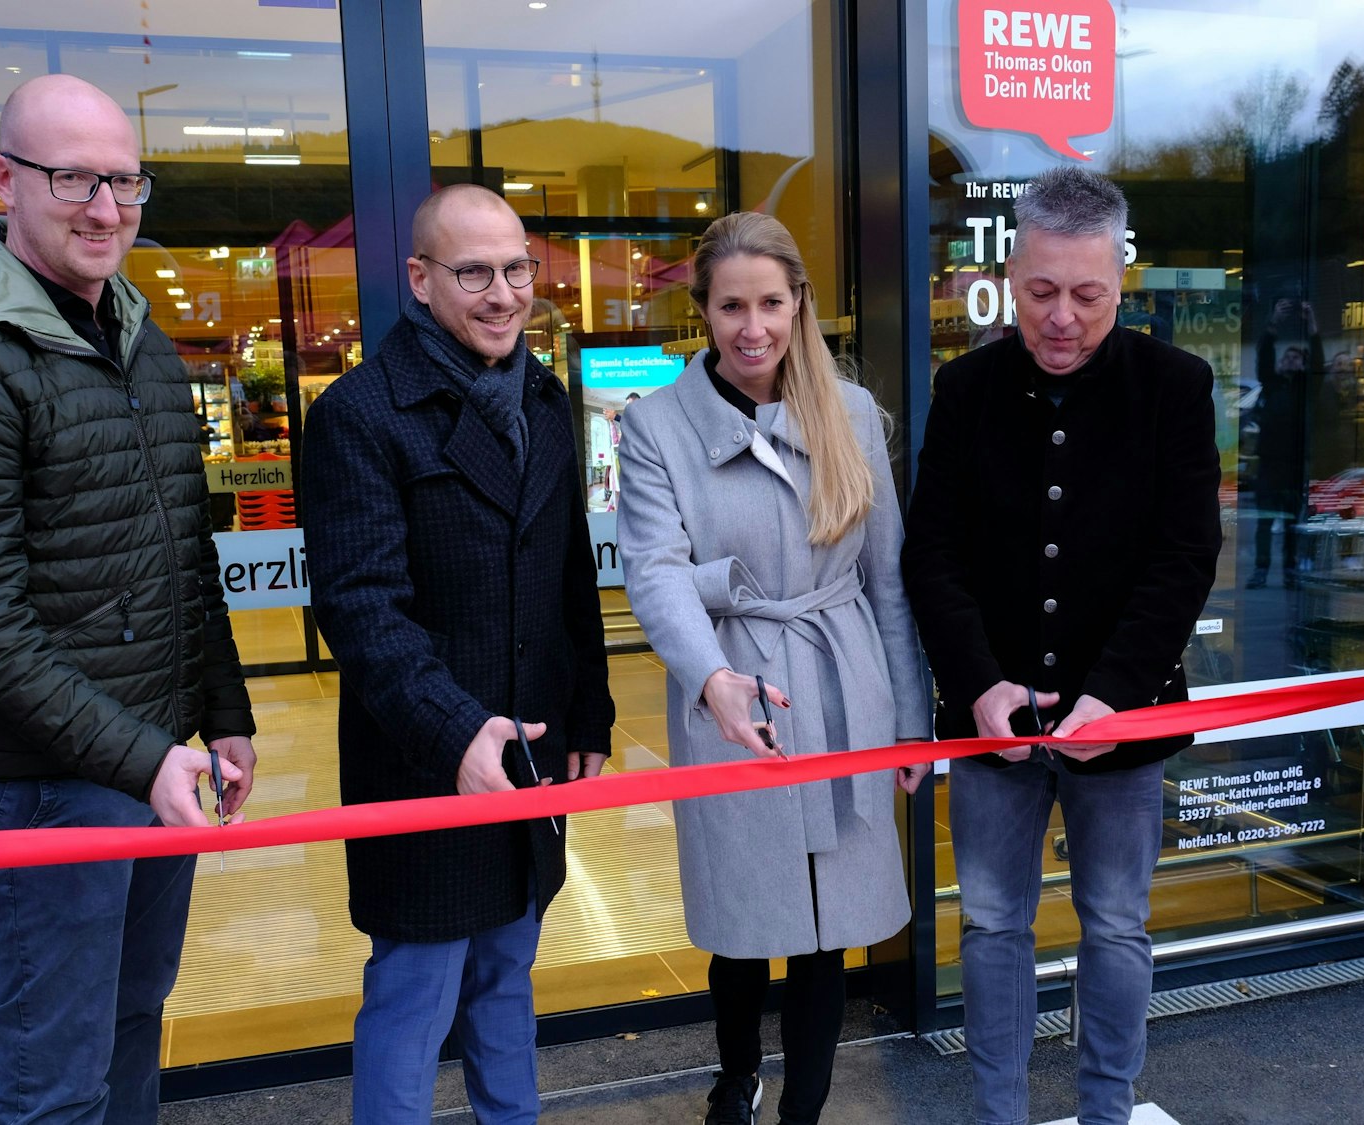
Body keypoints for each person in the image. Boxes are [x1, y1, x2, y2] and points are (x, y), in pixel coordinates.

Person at [0, 75, 257, 1124]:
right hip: (38, 785)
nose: (104, 207)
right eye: (72, 177)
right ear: (2, 181)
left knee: (132, 1022)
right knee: (54, 1080)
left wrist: (224, 715)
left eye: (125, 181)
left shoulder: (136, 340)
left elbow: (185, 555)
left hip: (147, 760)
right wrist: (143, 755)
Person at [900, 166, 1221, 1125]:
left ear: (1121, 283)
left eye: (1089, 296)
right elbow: (932, 551)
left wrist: (1114, 692)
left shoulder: (1175, 385)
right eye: (1042, 292)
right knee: (993, 923)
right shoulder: (965, 388)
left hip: (1123, 719)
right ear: (1010, 273)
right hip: (989, 721)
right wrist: (976, 683)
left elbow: (1185, 556)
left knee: (1117, 926)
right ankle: (999, 1112)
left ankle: (1106, 1112)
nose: (1063, 319)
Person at [302, 184, 615, 1125]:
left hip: (530, 746)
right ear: (420, 279)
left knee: (508, 977)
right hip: (424, 761)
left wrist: (589, 712)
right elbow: (361, 608)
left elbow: (570, 578)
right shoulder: (361, 413)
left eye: (517, 268)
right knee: (414, 993)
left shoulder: (545, 397)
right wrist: (453, 732)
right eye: (473, 272)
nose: (502, 293)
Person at [616, 211, 932, 1125]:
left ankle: (806, 1109)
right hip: (734, 686)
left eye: (770, 302)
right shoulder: (657, 426)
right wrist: (711, 677)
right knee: (744, 912)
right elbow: (656, 569)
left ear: (800, 303)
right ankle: (738, 1074)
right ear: (703, 312)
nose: (751, 327)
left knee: (828, 925)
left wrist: (913, 723)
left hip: (843, 686)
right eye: (729, 306)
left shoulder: (854, 414)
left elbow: (890, 583)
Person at [1247, 298, 1319, 588]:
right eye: (1286, 357)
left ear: (1303, 365)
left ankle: (1289, 569)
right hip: (1270, 462)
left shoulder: (1306, 389)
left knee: (1291, 522)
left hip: (1295, 462)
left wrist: (1312, 327)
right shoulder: (1272, 384)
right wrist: (1273, 323)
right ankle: (1261, 569)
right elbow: (1263, 356)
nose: (1290, 360)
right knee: (1265, 520)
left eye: (1296, 358)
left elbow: (1319, 361)